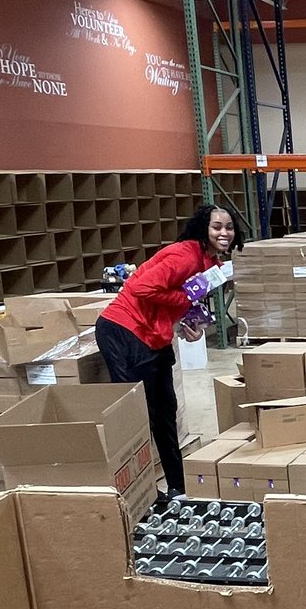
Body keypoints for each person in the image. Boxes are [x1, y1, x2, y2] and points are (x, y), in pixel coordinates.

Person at [96, 204, 244, 501]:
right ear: (203, 228)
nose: (224, 233)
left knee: (166, 412)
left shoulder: (208, 262)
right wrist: (185, 298)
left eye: (229, 227)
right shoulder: (185, 255)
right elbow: (141, 287)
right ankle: (139, 492)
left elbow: (176, 298)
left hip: (153, 335)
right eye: (216, 227)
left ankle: (178, 486)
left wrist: (190, 323)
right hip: (125, 330)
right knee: (139, 415)